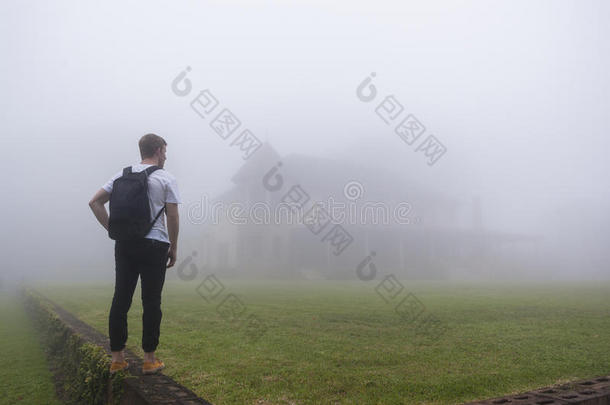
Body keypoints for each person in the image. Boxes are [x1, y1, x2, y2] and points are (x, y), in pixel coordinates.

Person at [88, 133, 181, 374]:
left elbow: (95, 202)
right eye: (165, 152)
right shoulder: (166, 178)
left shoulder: (121, 175)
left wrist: (113, 230)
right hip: (155, 246)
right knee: (151, 301)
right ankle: (149, 359)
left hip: (125, 244)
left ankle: (117, 358)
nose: (166, 156)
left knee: (121, 298)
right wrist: (174, 246)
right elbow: (172, 215)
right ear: (158, 150)